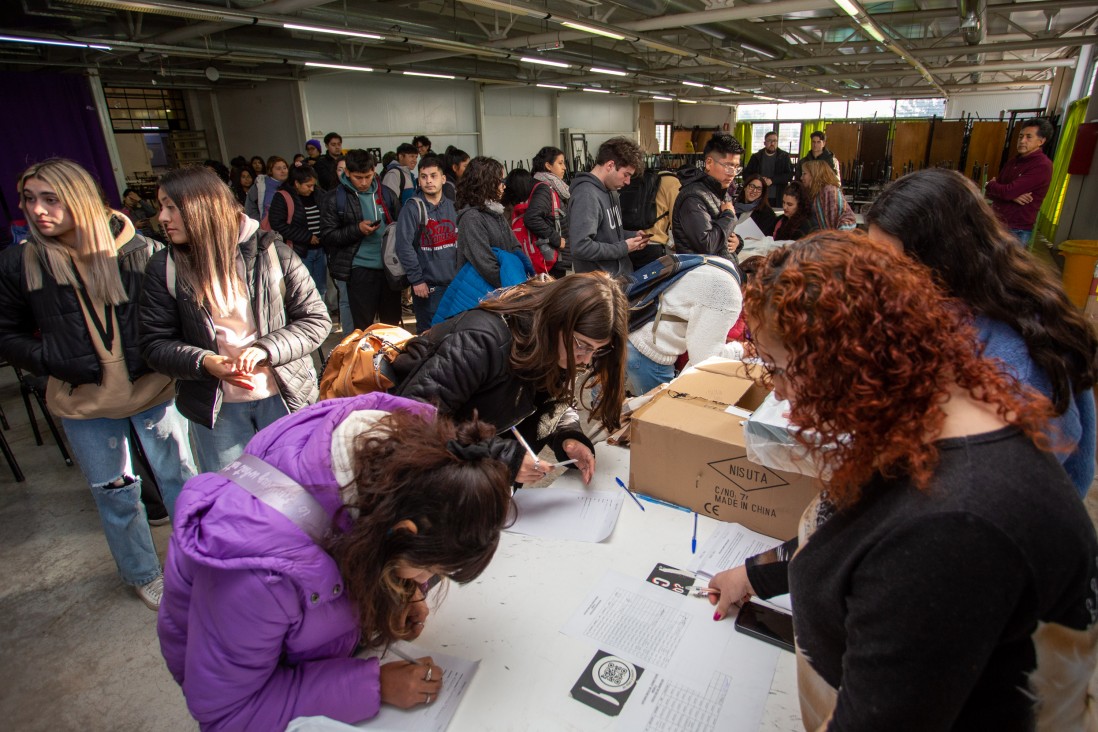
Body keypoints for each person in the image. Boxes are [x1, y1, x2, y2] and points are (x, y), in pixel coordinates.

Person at [707, 231, 1098, 730]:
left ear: (846, 363)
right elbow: (857, 526)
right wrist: (757, 574)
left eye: (781, 369)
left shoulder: (955, 529)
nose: (780, 393)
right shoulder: (928, 409)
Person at [158, 392, 515, 731]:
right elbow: (229, 714)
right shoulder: (259, 578)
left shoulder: (385, 464)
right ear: (404, 530)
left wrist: (403, 590)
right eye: (430, 570)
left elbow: (360, 542)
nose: (425, 579)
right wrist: (372, 685)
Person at [0, 158, 196, 610]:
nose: (38, 210)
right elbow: (5, 332)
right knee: (116, 495)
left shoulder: (139, 250)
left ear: (81, 200)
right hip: (84, 403)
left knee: (182, 481)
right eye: (30, 200)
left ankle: (197, 563)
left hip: (153, 390)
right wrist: (50, 360)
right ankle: (144, 573)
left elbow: (172, 315)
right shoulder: (20, 262)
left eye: (51, 199)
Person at [865, 167, 1097, 496]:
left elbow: (989, 491)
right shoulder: (964, 303)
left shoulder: (1017, 360)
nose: (881, 281)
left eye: (895, 267)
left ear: (945, 260)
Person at [140, 165, 330, 473]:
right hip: (216, 410)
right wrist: (204, 362)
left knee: (297, 489)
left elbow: (316, 320)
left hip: (284, 398)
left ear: (202, 208)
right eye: (162, 207)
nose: (162, 218)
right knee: (232, 498)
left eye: (171, 208)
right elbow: (154, 343)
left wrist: (266, 349)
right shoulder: (164, 266)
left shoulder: (272, 252)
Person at [392, 272, 628, 485]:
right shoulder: (480, 341)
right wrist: (501, 456)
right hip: (425, 487)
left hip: (477, 488)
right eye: (582, 345)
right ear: (558, 321)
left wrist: (569, 435)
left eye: (597, 350)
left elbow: (548, 401)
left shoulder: (552, 346)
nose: (586, 360)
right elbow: (409, 423)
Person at [626, 256, 744, 395]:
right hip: (650, 352)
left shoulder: (716, 265)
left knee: (617, 404)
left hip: (635, 332)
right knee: (660, 412)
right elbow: (704, 358)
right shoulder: (728, 293)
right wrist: (739, 350)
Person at [319, 149, 400, 330]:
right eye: (358, 177)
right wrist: (357, 230)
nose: (363, 182)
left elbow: (400, 226)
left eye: (368, 176)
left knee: (391, 326)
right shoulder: (334, 199)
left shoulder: (386, 194)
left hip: (389, 271)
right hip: (358, 270)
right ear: (347, 172)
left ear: (374, 170)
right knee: (362, 328)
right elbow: (328, 236)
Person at [394, 155, 458, 333]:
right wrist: (416, 280)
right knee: (428, 336)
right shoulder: (412, 208)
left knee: (453, 333)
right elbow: (403, 246)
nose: (429, 181)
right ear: (418, 180)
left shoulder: (454, 207)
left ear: (443, 179)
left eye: (433, 175)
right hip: (428, 288)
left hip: (453, 284)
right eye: (424, 176)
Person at [568, 136, 648, 276]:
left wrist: (632, 237)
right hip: (599, 287)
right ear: (610, 166)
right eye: (626, 174)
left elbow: (608, 234)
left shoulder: (612, 191)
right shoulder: (586, 194)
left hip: (619, 279)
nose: (628, 182)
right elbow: (581, 247)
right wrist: (624, 247)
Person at [452, 156, 524, 289]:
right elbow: (486, 264)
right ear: (485, 183)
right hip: (484, 294)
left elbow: (515, 246)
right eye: (500, 181)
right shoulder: (471, 218)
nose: (504, 186)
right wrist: (512, 284)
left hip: (502, 289)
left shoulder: (496, 212)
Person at [672, 134, 743, 258]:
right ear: (709, 163)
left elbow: (724, 235)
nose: (733, 173)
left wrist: (737, 242)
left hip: (720, 270)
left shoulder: (722, 193)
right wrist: (729, 216)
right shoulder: (693, 198)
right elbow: (707, 245)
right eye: (728, 166)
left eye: (736, 167)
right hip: (703, 272)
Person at [986, 117, 1054, 245]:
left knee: (1007, 264)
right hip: (996, 222)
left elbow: (1005, 191)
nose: (1022, 141)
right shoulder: (1014, 161)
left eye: (1029, 137)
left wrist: (997, 187)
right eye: (1020, 136)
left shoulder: (1042, 165)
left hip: (1015, 229)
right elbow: (991, 193)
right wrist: (1008, 194)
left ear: (1041, 141)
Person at [268, 165, 327, 301]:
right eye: (308, 186)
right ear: (296, 183)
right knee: (303, 289)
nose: (311, 189)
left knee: (321, 288)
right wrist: (307, 237)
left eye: (313, 185)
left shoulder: (318, 193)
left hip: (321, 249)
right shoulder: (283, 197)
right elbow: (278, 224)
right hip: (299, 251)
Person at [525, 145, 572, 278]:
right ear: (548, 166)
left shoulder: (551, 186)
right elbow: (532, 218)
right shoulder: (544, 189)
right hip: (550, 257)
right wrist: (556, 239)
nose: (564, 168)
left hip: (554, 256)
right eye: (560, 163)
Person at [800, 159, 855, 231]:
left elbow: (840, 220)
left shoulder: (829, 190)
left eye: (804, 174)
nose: (801, 177)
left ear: (815, 174)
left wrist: (834, 238)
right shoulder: (817, 192)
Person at [743, 130, 794, 207]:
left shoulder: (784, 157)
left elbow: (789, 175)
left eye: (775, 141)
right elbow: (746, 175)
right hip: (758, 196)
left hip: (777, 197)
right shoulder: (756, 157)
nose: (772, 143)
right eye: (769, 141)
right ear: (764, 143)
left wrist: (772, 180)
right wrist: (758, 179)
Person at [244, 155, 290, 223]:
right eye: (278, 169)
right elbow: (250, 207)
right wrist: (259, 224)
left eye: (285, 168)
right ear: (270, 171)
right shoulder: (260, 185)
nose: (283, 171)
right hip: (266, 227)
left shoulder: (291, 184)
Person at [382, 142, 419, 219]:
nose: (415, 160)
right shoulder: (393, 174)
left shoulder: (409, 174)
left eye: (416, 157)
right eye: (411, 156)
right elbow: (389, 204)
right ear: (401, 156)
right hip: (400, 222)